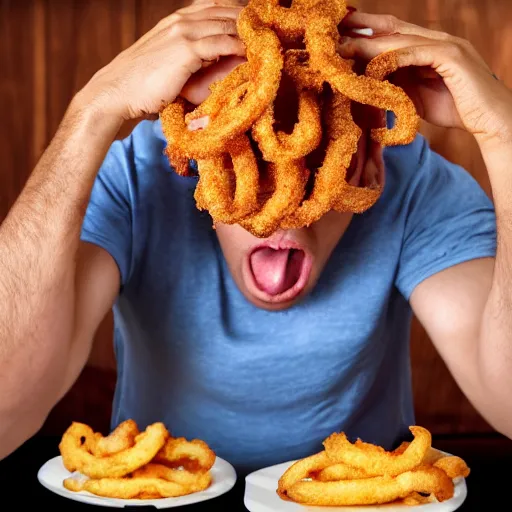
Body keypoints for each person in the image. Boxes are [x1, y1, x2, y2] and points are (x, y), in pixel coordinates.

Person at [0, 0, 511, 475]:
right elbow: (6, 414)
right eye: (234, 155)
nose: (278, 211)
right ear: (190, 154)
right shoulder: (135, 177)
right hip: (162, 498)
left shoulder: (414, 182)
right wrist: (91, 112)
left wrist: (504, 134)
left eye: (313, 167)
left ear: (369, 167)